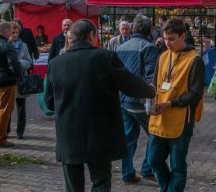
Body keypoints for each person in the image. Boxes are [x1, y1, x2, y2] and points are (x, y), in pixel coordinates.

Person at [44, 19, 156, 192]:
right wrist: (150, 91)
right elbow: (130, 84)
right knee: (101, 181)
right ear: (92, 35)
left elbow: (49, 102)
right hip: (99, 132)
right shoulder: (105, 57)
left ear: (72, 37)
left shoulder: (55, 63)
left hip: (68, 134)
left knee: (73, 186)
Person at [148, 18, 205, 192]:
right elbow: (155, 84)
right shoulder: (163, 56)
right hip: (159, 119)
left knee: (178, 166)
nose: (168, 43)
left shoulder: (195, 60)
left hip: (181, 121)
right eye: (165, 39)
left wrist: (171, 103)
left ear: (183, 36)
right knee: (153, 161)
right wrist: (149, 99)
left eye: (172, 39)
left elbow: (195, 95)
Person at [116, 15, 159, 183]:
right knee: (156, 134)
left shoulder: (121, 47)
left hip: (123, 100)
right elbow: (151, 76)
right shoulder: (149, 47)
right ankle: (148, 168)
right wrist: (152, 100)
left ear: (133, 29)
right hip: (140, 101)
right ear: (149, 30)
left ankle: (127, 174)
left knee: (128, 139)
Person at [7, 22, 32, 140]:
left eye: (17, 32)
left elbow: (29, 61)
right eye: (13, 32)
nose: (15, 34)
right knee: (8, 107)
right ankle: (6, 130)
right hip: (9, 80)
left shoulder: (24, 45)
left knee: (21, 107)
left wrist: (20, 63)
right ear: (8, 33)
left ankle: (20, 131)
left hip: (21, 79)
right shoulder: (5, 44)